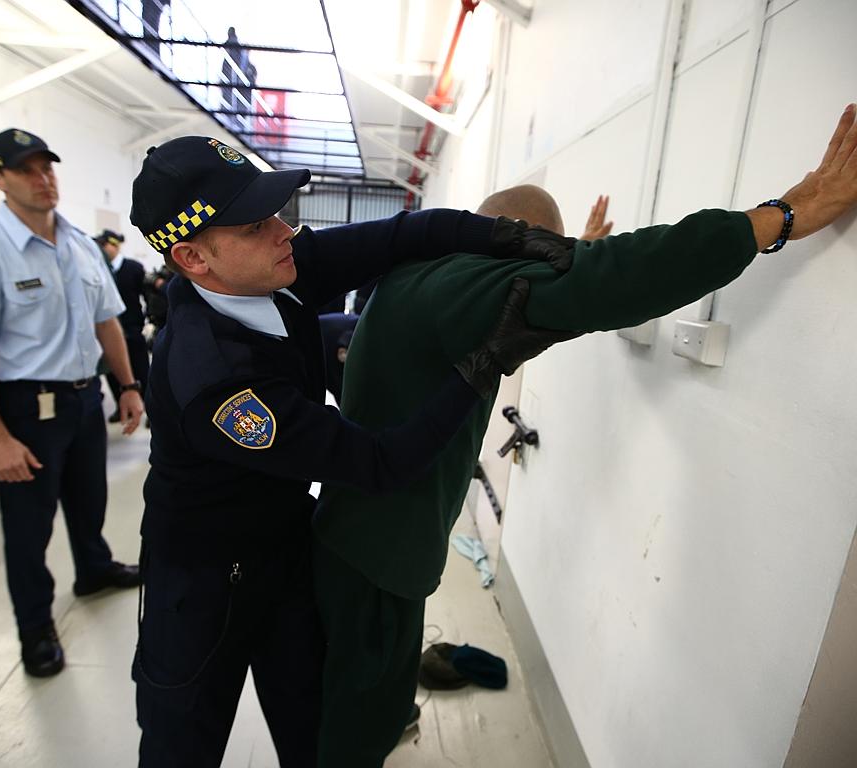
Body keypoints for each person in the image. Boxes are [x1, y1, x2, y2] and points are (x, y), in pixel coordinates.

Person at [311, 103, 857, 767]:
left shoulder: (424, 278)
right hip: (378, 556)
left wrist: (576, 266)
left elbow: (521, 320)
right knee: (350, 730)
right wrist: (783, 216)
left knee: (367, 698)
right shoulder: (456, 286)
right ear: (509, 242)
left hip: (372, 539)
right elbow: (612, 282)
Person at [128, 135, 574, 767]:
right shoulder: (217, 384)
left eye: (278, 212)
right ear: (193, 257)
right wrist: (482, 368)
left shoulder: (269, 266)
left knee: (316, 732)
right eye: (258, 223)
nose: (286, 231)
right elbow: (379, 463)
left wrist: (500, 235)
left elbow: (399, 237)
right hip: (202, 583)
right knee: (182, 746)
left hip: (283, 550)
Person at [0, 128, 145, 678]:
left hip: (83, 400)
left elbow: (108, 320)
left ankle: (94, 570)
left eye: (47, 167)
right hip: (26, 408)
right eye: (27, 170)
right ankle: (35, 627)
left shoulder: (79, 244)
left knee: (89, 499)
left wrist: (125, 385)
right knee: (28, 528)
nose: (42, 178)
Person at [95, 229, 150, 422]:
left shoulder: (133, 268)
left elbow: (147, 295)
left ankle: (152, 410)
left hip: (132, 328)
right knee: (112, 372)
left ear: (114, 245)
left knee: (142, 370)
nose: (102, 249)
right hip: (108, 331)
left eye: (104, 245)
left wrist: (147, 318)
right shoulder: (100, 268)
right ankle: (122, 407)